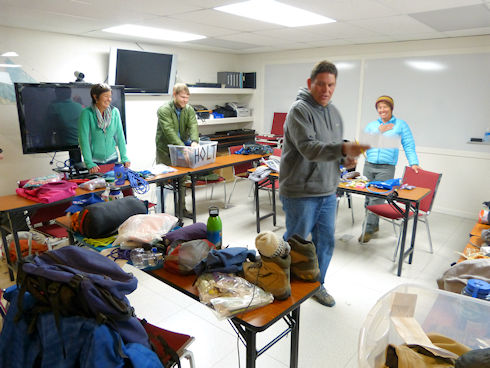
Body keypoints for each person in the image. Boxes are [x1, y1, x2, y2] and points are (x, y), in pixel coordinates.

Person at [280, 60, 370, 307]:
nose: (326, 90)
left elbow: (333, 147)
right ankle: (283, 285)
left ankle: (316, 286)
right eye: (321, 84)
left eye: (331, 85)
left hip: (328, 190)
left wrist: (346, 158)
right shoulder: (299, 110)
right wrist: (341, 148)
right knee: (296, 243)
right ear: (311, 84)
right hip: (300, 191)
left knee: (325, 242)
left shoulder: (334, 113)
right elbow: (309, 148)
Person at [359, 95, 421, 243]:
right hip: (369, 165)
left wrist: (414, 162)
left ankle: (367, 229)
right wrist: (378, 131)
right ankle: (373, 225)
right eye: (379, 107)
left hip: (386, 168)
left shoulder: (400, 125)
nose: (382, 110)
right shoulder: (372, 125)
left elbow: (408, 144)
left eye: (385, 106)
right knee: (368, 198)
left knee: (376, 198)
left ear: (391, 108)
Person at [155, 83, 199, 218]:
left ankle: (181, 210)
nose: (185, 101)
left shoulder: (189, 109)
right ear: (174, 95)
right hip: (166, 151)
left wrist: (194, 141)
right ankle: (160, 213)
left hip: (181, 149)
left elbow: (193, 125)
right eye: (182, 97)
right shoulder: (164, 110)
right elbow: (169, 132)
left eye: (187, 98)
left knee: (182, 180)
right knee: (162, 181)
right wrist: (182, 148)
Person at [78, 83, 130, 174]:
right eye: (106, 96)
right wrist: (89, 163)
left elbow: (120, 136)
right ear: (95, 97)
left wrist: (124, 157)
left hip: (113, 159)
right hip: (95, 163)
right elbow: (84, 140)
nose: (109, 99)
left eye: (110, 96)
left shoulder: (115, 112)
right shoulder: (86, 113)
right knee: (100, 187)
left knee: (117, 187)